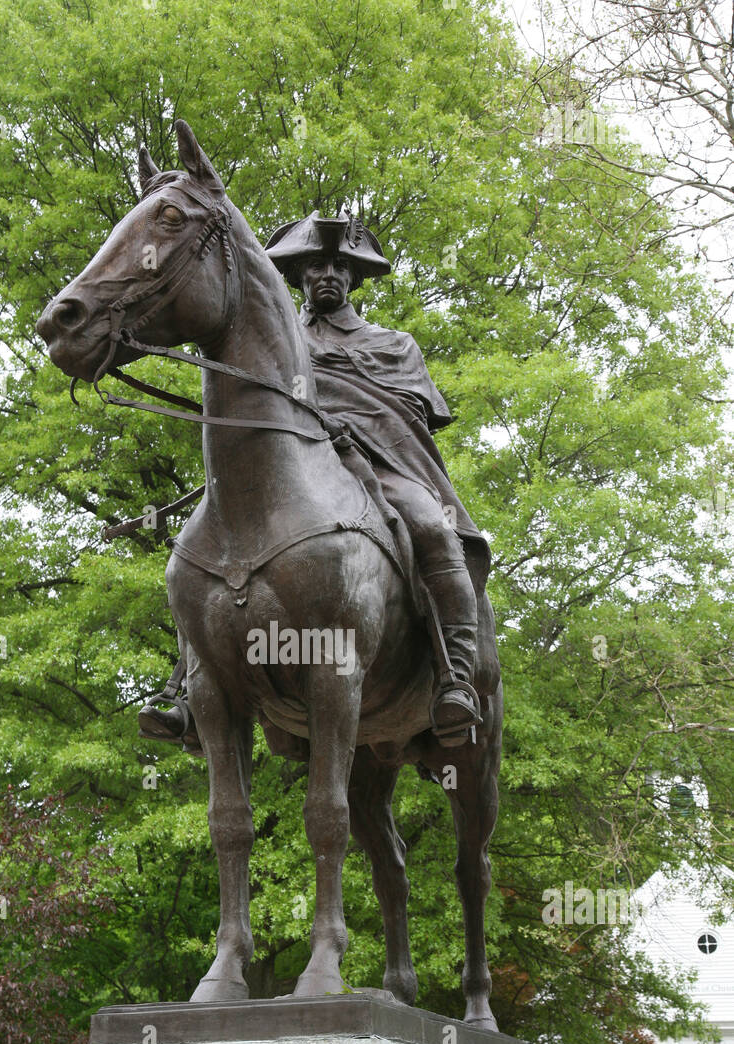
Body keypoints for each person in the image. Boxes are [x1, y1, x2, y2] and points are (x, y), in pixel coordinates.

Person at [140, 211, 489, 747]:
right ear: (299, 275)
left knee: (430, 525)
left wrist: (350, 423)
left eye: (337, 265)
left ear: (353, 276)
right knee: (205, 550)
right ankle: (184, 686)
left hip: (377, 464)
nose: (326, 273)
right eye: (314, 265)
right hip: (292, 471)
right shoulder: (275, 342)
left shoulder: (394, 345)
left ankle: (456, 676)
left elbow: (410, 416)